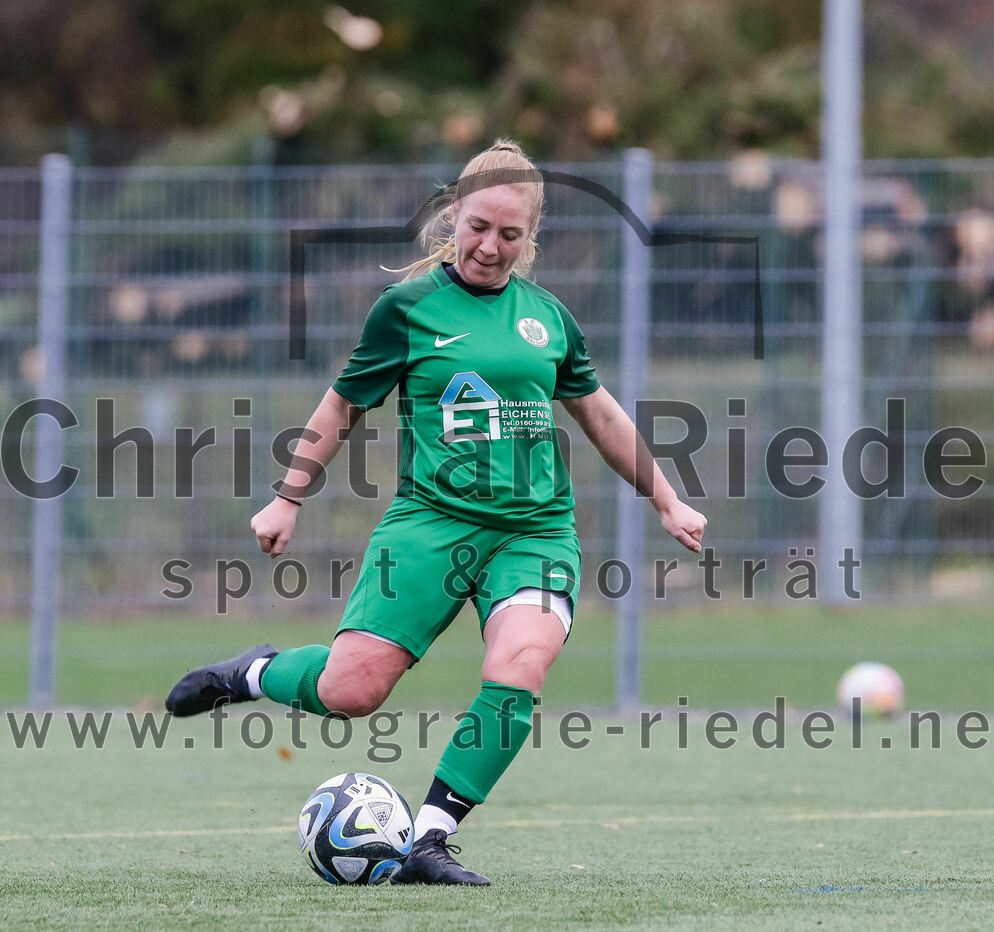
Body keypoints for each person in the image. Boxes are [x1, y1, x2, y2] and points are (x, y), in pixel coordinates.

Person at [165, 139, 707, 885]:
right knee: (352, 691)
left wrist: (667, 497)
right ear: (455, 213)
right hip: (430, 523)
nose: (489, 246)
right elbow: (341, 406)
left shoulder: (547, 319)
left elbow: (602, 415)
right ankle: (252, 674)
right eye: (479, 226)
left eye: (509, 234)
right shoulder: (407, 311)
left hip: (535, 530)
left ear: (529, 238)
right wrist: (288, 496)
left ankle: (428, 838)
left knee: (520, 665)